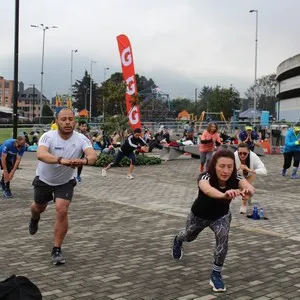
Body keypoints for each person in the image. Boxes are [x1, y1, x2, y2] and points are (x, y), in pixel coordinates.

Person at [172, 150, 255, 292]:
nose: (226, 170)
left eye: (229, 166)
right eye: (221, 166)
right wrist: (224, 195)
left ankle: (216, 274)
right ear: (214, 166)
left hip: (220, 217)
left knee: (223, 238)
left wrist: (248, 192)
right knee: (189, 236)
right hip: (199, 216)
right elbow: (208, 190)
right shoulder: (205, 177)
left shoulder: (236, 177)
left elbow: (249, 186)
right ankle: (178, 240)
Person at [28, 108, 97, 265]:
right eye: (63, 119)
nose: (67, 122)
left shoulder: (81, 139)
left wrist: (83, 161)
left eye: (70, 119)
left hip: (65, 181)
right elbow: (41, 154)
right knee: (39, 207)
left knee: (62, 209)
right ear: (57, 121)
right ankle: (34, 218)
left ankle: (57, 249)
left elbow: (92, 156)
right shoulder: (48, 136)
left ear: (75, 122)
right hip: (44, 179)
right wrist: (61, 160)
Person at [234, 142, 267, 214]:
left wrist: (250, 170)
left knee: (246, 188)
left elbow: (264, 171)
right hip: (238, 176)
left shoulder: (253, 156)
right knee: (245, 188)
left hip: (250, 175)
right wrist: (237, 168)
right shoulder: (234, 156)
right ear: (237, 152)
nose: (242, 155)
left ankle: (243, 204)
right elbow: (229, 171)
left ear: (248, 152)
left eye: (245, 153)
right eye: (240, 153)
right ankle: (248, 197)